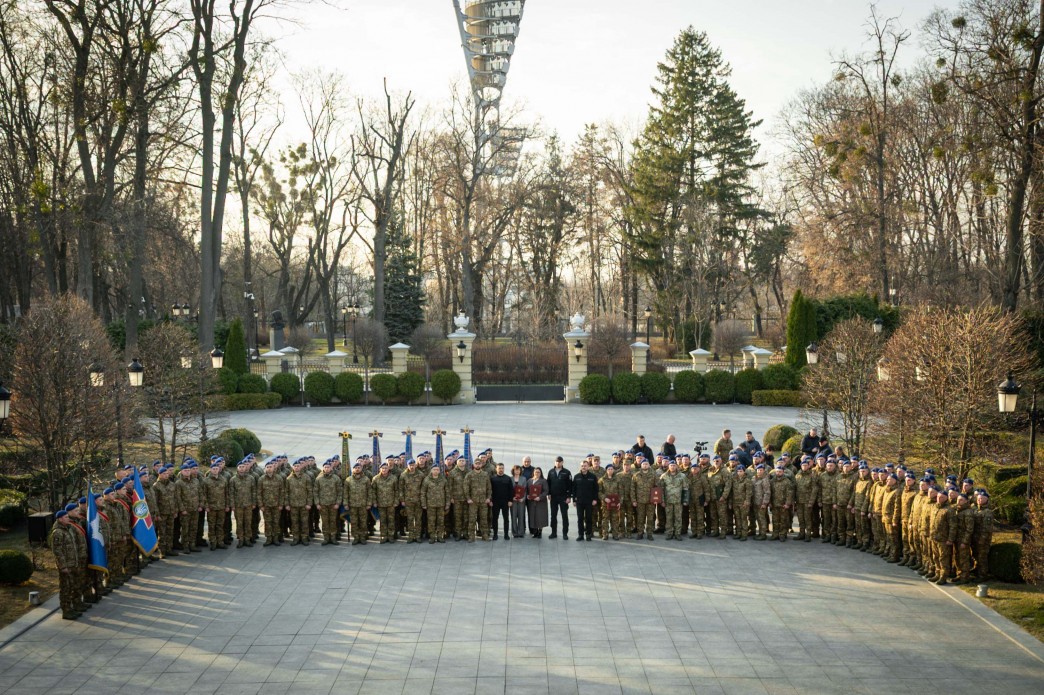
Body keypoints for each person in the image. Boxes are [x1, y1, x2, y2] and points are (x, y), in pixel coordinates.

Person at [228, 460, 258, 549]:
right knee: (239, 523)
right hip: (238, 506)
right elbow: (231, 493)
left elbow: (254, 492)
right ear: (237, 468)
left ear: (246, 468)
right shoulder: (233, 479)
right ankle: (241, 540)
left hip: (248, 505)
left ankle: (247, 539)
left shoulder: (251, 478)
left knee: (248, 522)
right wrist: (232, 505)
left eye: (243, 467)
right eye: (240, 467)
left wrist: (254, 503)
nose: (242, 468)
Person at [313, 460, 343, 545]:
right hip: (323, 505)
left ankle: (333, 538)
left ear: (331, 468)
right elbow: (315, 492)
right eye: (325, 467)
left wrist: (338, 503)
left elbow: (340, 492)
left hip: (333, 504)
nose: (326, 469)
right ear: (323, 468)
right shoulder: (319, 479)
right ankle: (326, 538)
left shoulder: (336, 478)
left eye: (328, 467)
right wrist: (317, 503)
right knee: (325, 522)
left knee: (333, 521)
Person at [420, 464, 449, 543]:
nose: (436, 471)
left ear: (439, 471)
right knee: (431, 521)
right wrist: (424, 504)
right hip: (430, 504)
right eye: (434, 470)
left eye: (437, 470)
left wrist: (447, 504)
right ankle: (432, 537)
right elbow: (423, 492)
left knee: (441, 521)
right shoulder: (427, 480)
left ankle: (440, 536)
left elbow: (447, 492)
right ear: (431, 471)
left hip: (441, 504)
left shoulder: (443, 480)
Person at [464, 462, 492, 542]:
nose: (478, 465)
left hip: (483, 501)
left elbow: (489, 487)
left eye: (479, 464)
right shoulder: (469, 475)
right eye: (476, 464)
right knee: (472, 519)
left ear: (481, 465)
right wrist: (468, 498)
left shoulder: (485, 474)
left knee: (484, 519)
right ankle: (471, 536)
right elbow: (466, 487)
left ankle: (485, 535)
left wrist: (488, 498)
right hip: (473, 501)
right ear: (474, 465)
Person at [572, 460, 599, 541]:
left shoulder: (592, 477)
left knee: (589, 518)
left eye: (585, 466)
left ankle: (588, 534)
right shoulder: (576, 477)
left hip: (589, 501)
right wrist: (574, 500)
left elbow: (596, 489)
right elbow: (574, 489)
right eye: (582, 466)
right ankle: (580, 535)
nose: (583, 467)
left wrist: (595, 499)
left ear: (588, 467)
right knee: (580, 518)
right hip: (579, 501)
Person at [546, 456, 572, 540]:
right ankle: (553, 533)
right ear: (555, 462)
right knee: (553, 515)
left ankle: (565, 533)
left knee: (564, 515)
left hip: (563, 497)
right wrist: (549, 494)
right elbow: (548, 483)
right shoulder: (551, 472)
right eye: (556, 461)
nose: (558, 463)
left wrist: (569, 497)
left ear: (562, 462)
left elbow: (570, 485)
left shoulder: (567, 472)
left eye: (560, 462)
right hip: (553, 497)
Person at [490, 462, 513, 540]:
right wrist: (490, 500)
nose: (501, 470)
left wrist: (510, 500)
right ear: (496, 469)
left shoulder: (508, 478)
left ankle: (506, 534)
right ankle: (495, 534)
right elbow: (489, 490)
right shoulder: (492, 478)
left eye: (502, 468)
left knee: (506, 519)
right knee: (495, 518)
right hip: (495, 502)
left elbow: (511, 490)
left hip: (505, 502)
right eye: (499, 468)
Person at [526, 467, 549, 538]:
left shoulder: (543, 481)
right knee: (533, 516)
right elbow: (527, 490)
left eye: (538, 472)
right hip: (531, 502)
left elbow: (546, 491)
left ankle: (540, 532)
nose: (537, 473)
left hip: (540, 502)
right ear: (533, 473)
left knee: (540, 517)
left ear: (541, 473)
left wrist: (540, 497)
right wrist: (527, 496)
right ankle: (535, 532)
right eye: (536, 472)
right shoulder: (529, 480)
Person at [510, 464, 528, 538]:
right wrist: (511, 498)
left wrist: (523, 498)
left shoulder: (523, 479)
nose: (517, 471)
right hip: (513, 501)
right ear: (513, 471)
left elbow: (525, 490)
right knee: (513, 516)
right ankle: (514, 532)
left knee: (521, 516)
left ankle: (521, 532)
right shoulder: (510, 479)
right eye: (516, 470)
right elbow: (508, 490)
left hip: (521, 501)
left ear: (520, 471)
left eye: (518, 470)